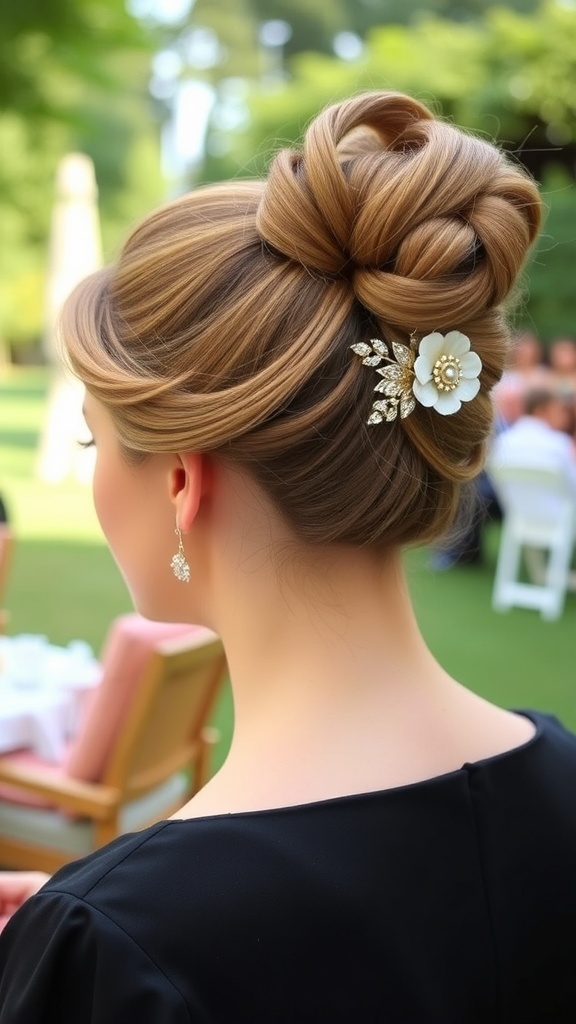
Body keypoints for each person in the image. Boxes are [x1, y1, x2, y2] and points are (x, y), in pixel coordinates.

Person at [0, 90, 575, 1023]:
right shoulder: (564, 787)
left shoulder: (117, 948)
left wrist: (59, 964)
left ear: (183, 482)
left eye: (91, 445)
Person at [489, 386, 576, 499]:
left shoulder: (502, 442)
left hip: (518, 515)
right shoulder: (559, 443)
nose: (564, 417)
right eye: (558, 410)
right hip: (562, 514)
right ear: (541, 410)